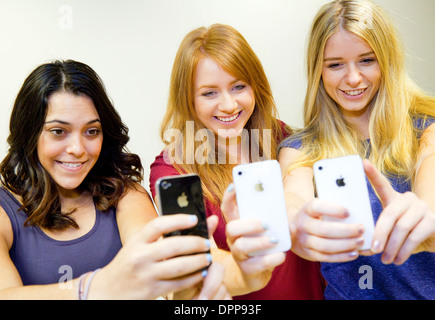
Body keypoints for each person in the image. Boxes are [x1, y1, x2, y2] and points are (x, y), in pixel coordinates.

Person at [0, 60, 230, 300]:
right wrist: (93, 288)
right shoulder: (4, 210)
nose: (78, 149)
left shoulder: (126, 195)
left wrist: (191, 291)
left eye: (91, 131)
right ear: (30, 133)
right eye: (59, 131)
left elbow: (163, 280)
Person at [150, 23, 326, 299]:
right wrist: (245, 268)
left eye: (238, 86)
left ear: (256, 86)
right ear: (188, 99)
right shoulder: (172, 169)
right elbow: (197, 261)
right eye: (209, 93)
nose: (229, 105)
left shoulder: (284, 139)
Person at [279, 0, 435, 299]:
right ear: (318, 71)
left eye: (367, 60)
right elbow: (293, 196)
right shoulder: (300, 148)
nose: (352, 78)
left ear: (387, 60)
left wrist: (426, 216)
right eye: (335, 64)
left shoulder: (427, 129)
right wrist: (295, 222)